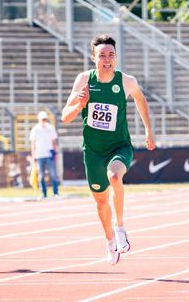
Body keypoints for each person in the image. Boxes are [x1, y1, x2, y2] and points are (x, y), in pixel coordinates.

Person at [61, 34, 155, 265]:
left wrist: (148, 131)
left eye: (111, 55)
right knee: (101, 202)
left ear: (116, 57)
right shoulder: (83, 80)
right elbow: (65, 117)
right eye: (102, 55)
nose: (107, 60)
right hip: (92, 151)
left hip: (119, 146)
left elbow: (141, 100)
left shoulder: (126, 81)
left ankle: (120, 226)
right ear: (93, 58)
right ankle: (110, 241)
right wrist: (79, 104)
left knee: (114, 175)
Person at [30, 110, 59, 199]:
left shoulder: (51, 128)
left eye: (45, 119)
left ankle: (55, 192)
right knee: (41, 175)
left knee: (53, 174)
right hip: (39, 154)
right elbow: (33, 143)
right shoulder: (35, 129)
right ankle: (44, 193)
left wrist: (55, 152)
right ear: (39, 119)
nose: (44, 121)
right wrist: (33, 155)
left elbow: (53, 141)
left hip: (49, 154)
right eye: (42, 119)